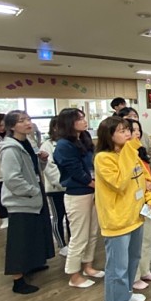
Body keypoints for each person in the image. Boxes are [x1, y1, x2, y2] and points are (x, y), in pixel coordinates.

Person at [94, 117, 151, 301]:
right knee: (117, 266)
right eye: (122, 131)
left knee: (132, 260)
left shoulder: (129, 153)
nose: (128, 134)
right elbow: (119, 182)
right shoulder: (104, 158)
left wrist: (149, 196)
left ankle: (125, 293)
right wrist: (130, 150)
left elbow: (143, 179)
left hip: (135, 216)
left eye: (128, 130)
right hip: (117, 221)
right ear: (109, 136)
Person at [0, 110, 55, 294]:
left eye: (29, 119)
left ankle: (32, 264)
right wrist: (32, 190)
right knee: (20, 240)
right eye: (21, 121)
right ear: (11, 126)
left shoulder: (28, 143)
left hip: (34, 197)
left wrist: (43, 161)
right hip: (21, 200)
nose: (27, 123)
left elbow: (33, 170)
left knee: (34, 234)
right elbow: (12, 178)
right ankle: (18, 280)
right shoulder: (10, 148)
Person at [54, 108, 104, 288]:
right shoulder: (63, 145)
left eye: (83, 117)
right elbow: (75, 171)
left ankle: (88, 266)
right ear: (69, 123)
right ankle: (74, 275)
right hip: (77, 193)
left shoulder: (84, 138)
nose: (84, 121)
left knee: (92, 232)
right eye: (80, 118)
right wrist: (94, 184)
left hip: (92, 190)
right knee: (79, 236)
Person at [128, 119, 151, 289]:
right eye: (132, 130)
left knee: (147, 238)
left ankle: (145, 270)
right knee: (135, 243)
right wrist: (143, 185)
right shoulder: (124, 155)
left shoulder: (140, 151)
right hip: (134, 203)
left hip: (148, 200)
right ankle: (134, 277)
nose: (136, 133)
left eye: (138, 129)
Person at [40, 116, 69, 257]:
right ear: (54, 128)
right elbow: (50, 168)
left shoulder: (69, 143)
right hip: (55, 189)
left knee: (71, 218)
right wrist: (63, 183)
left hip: (71, 188)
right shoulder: (47, 145)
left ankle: (73, 243)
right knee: (58, 217)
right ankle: (62, 245)